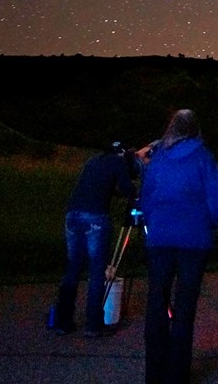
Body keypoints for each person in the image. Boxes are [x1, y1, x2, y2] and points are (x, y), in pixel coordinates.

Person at [140, 109, 218, 384]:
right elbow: (215, 199)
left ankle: (155, 372)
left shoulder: (159, 158)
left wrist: (154, 222)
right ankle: (178, 375)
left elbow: (147, 196)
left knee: (156, 301)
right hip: (195, 240)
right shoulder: (204, 158)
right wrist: (211, 224)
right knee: (185, 307)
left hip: (161, 238)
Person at [50, 140, 138, 336]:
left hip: (72, 215)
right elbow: (126, 188)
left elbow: (99, 186)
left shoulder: (93, 161)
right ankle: (93, 324)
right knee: (97, 271)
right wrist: (136, 194)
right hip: (96, 218)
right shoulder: (119, 162)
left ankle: (62, 322)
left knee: (73, 267)